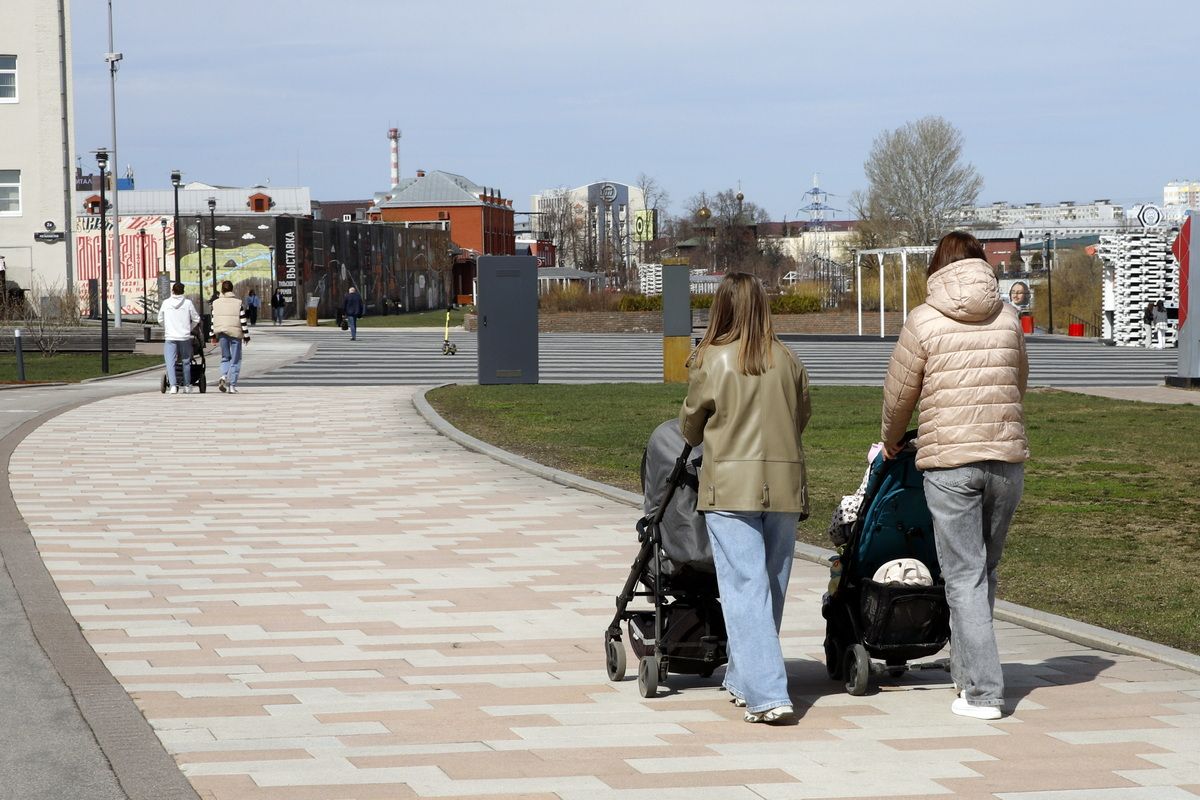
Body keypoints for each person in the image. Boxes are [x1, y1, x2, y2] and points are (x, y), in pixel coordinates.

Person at [881, 230, 1028, 721]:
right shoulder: (1008, 316)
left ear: (937, 267)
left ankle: (983, 692)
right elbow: (1018, 382)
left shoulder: (924, 320)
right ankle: (967, 677)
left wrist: (891, 438)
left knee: (964, 577)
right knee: (984, 572)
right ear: (982, 263)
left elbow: (900, 393)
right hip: (1005, 461)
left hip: (951, 463)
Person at [679, 272, 811, 725]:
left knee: (745, 588)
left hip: (731, 485)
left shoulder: (711, 359)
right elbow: (801, 416)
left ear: (722, 307)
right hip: (784, 482)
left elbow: (691, 427)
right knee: (769, 586)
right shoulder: (788, 359)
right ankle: (743, 678)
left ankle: (768, 693)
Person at [156, 282, 200, 395]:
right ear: (183, 291)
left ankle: (173, 386)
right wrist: (189, 327)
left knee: (170, 362)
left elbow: (160, 319)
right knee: (186, 361)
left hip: (170, 336)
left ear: (172, 291)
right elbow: (196, 319)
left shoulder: (166, 303)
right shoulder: (188, 303)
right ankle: (187, 385)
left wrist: (167, 327)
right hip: (184, 336)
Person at [211, 279, 250, 393]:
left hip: (222, 333)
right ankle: (232, 386)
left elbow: (213, 320)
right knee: (236, 359)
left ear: (222, 289)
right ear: (232, 289)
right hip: (235, 333)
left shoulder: (216, 303)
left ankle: (223, 376)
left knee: (225, 357)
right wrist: (246, 335)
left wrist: (212, 335)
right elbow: (243, 320)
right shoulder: (238, 303)